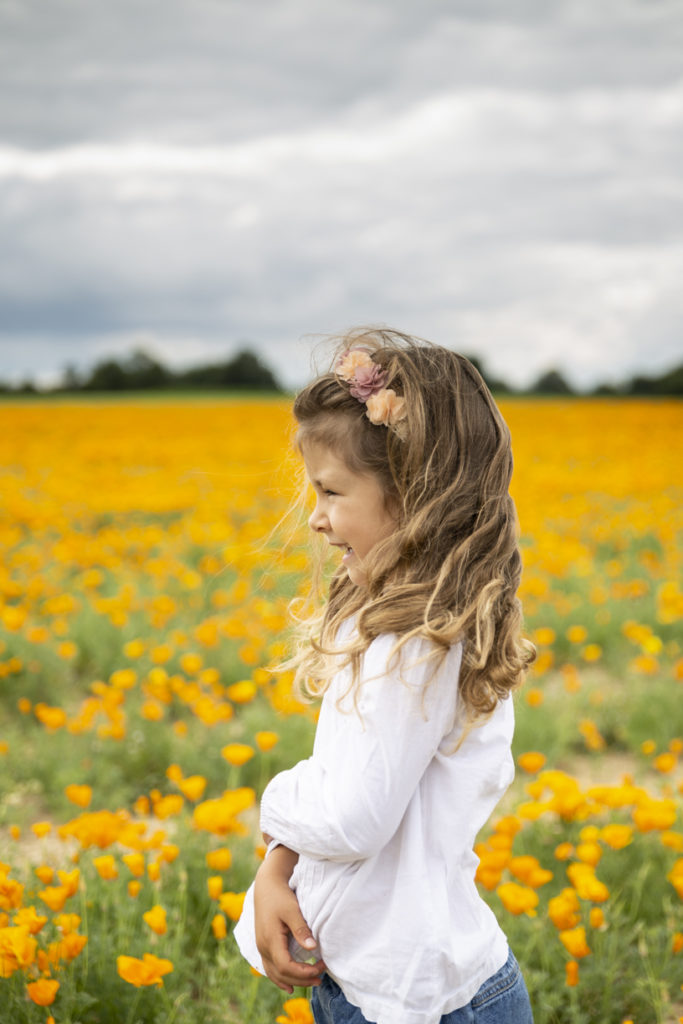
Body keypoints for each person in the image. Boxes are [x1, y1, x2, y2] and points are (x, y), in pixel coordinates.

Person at [234, 327, 536, 1024]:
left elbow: (353, 818)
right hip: (376, 982)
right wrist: (278, 864)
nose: (315, 518)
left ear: (415, 495)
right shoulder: (390, 622)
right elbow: (352, 794)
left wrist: (273, 806)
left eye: (331, 492)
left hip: (424, 1001)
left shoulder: (417, 644)